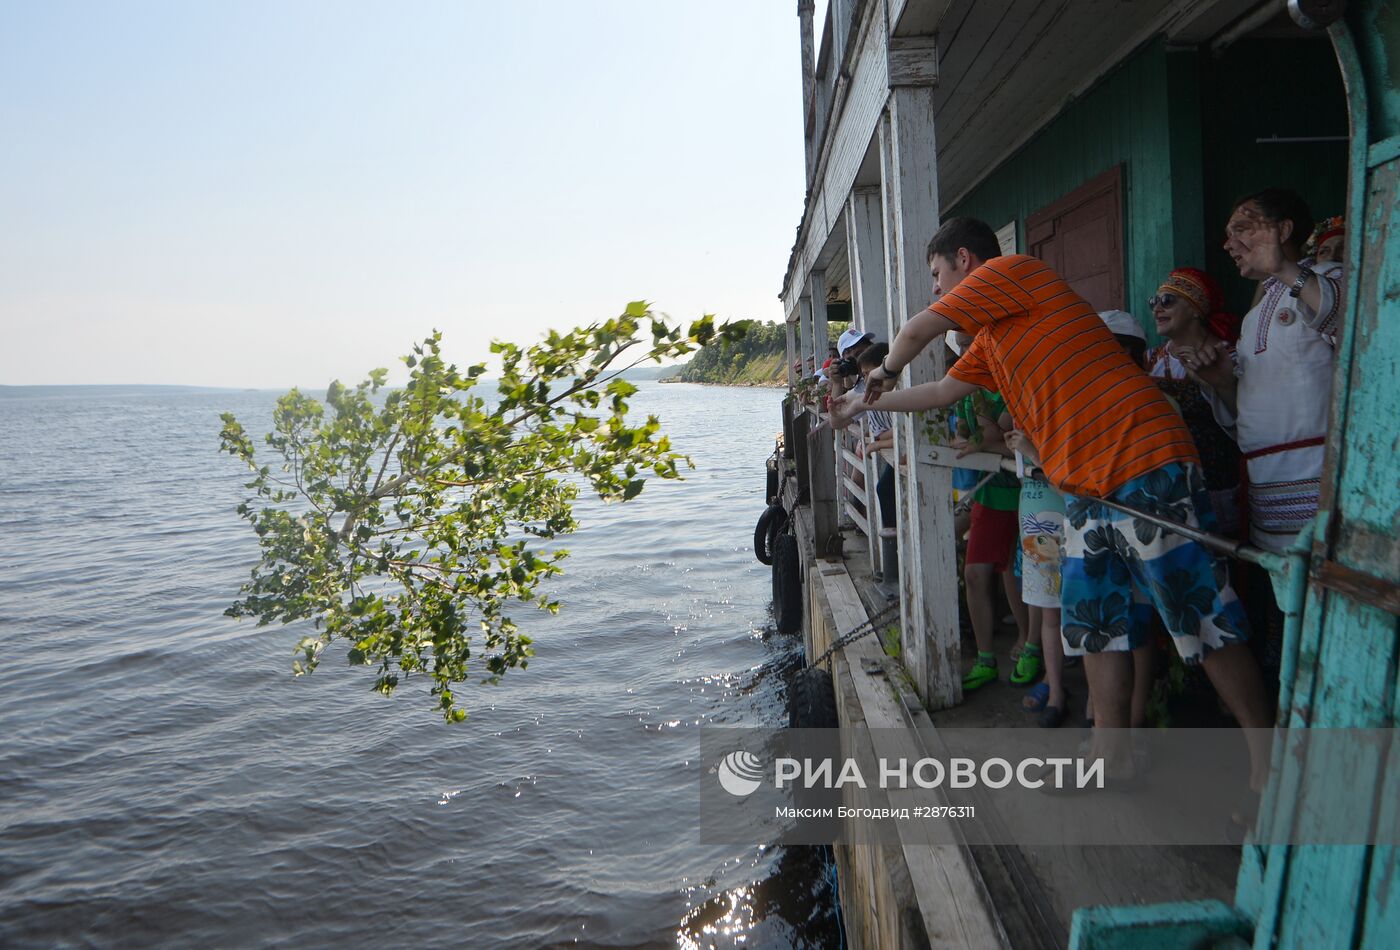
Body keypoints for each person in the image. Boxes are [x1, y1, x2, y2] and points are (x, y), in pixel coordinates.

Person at [832, 216, 1271, 787]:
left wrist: (884, 374)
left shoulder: (1012, 271)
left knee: (1200, 617)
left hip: (1142, 460)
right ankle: (1111, 757)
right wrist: (864, 406)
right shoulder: (992, 338)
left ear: (965, 261)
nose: (937, 290)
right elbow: (942, 391)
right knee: (1095, 624)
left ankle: (1269, 765)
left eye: (938, 275)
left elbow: (918, 330)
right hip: (1083, 487)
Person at [1185, 189, 1343, 563]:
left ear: (1283, 230)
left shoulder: (1328, 277)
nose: (1229, 244)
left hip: (1318, 483)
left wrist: (1285, 269)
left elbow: (1353, 329)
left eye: (1243, 229)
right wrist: (1222, 380)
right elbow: (1247, 415)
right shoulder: (1254, 316)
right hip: (1266, 489)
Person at [1145, 269, 1244, 537]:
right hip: (1168, 487)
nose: (1157, 309)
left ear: (1196, 308)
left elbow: (1248, 421)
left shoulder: (1232, 356)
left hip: (1219, 482)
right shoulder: (1149, 361)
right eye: (1153, 302)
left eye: (1167, 300)